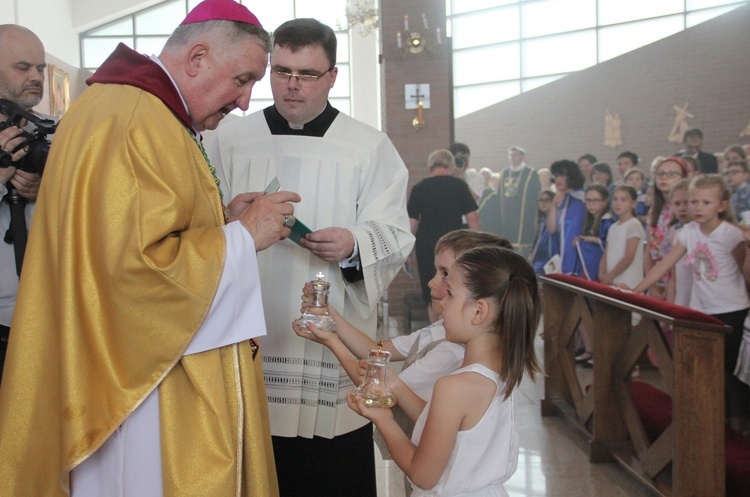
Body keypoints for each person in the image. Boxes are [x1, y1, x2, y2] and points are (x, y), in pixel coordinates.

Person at [0, 2, 301, 495]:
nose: (245, 102)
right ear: (198, 57)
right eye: (242, 80)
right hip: (135, 389)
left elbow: (125, 234)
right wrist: (244, 237)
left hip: (133, 370)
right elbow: (130, 275)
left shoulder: (137, 109)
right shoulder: (133, 117)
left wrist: (224, 220)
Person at [208, 18, 414, 497]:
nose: (291, 85)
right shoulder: (229, 139)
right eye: (281, 72)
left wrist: (355, 244)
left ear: (333, 77)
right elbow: (198, 220)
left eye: (307, 74)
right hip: (250, 328)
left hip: (330, 337)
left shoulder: (367, 146)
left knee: (330, 473)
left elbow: (395, 232)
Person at [293, 229, 512, 495]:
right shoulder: (477, 353)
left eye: (447, 281)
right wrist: (332, 319)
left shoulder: (454, 359)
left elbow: (423, 473)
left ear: (479, 307)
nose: (433, 284)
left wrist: (332, 341)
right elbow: (377, 355)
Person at [347, 246, 542, 497]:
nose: (442, 305)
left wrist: (382, 418)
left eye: (450, 294)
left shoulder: (456, 386)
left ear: (478, 311)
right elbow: (440, 423)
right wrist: (394, 384)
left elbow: (422, 475)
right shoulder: (500, 371)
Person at [629, 174, 750, 434]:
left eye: (705, 202)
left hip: (732, 309)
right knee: (704, 372)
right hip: (701, 310)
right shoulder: (688, 231)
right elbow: (665, 264)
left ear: (721, 205)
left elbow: (745, 272)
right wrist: (637, 290)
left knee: (731, 375)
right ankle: (709, 425)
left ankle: (737, 430)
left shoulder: (730, 234)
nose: (697, 208)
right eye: (693, 202)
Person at [0, 24, 45, 382]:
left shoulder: (53, 131)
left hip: (48, 322)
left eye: (41, 69)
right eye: (23, 67)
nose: (36, 77)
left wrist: (49, 187)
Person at [409, 149, 479, 323]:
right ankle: (455, 331)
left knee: (432, 289)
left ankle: (436, 337)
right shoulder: (459, 186)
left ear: (430, 166)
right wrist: (479, 245)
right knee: (456, 287)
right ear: (450, 165)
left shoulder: (419, 188)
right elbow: (473, 218)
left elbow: (411, 224)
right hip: (454, 244)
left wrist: (407, 252)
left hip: (427, 244)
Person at [644, 157, 687, 300]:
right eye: (660, 173)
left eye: (671, 174)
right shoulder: (654, 211)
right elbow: (648, 252)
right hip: (657, 278)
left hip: (680, 279)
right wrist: (652, 286)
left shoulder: (685, 211)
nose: (664, 177)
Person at [497, 145, 541, 256]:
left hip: (524, 215)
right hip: (508, 213)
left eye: (515, 155)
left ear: (522, 156)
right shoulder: (504, 173)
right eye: (510, 155)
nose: (512, 157)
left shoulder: (530, 173)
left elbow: (535, 195)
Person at [547, 159, 586, 275]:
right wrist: (553, 206)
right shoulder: (560, 199)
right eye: (556, 176)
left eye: (562, 175)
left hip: (575, 254)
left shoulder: (581, 200)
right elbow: (551, 229)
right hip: (559, 252)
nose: (558, 179)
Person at [574, 184, 614, 281]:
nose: (591, 204)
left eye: (595, 200)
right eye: (588, 200)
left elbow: (611, 246)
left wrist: (593, 240)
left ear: (605, 202)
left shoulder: (607, 221)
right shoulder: (589, 221)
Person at [530, 189, 555, 275]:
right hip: (538, 260)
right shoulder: (541, 220)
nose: (543, 203)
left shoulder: (556, 221)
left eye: (546, 200)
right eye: (540, 200)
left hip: (549, 258)